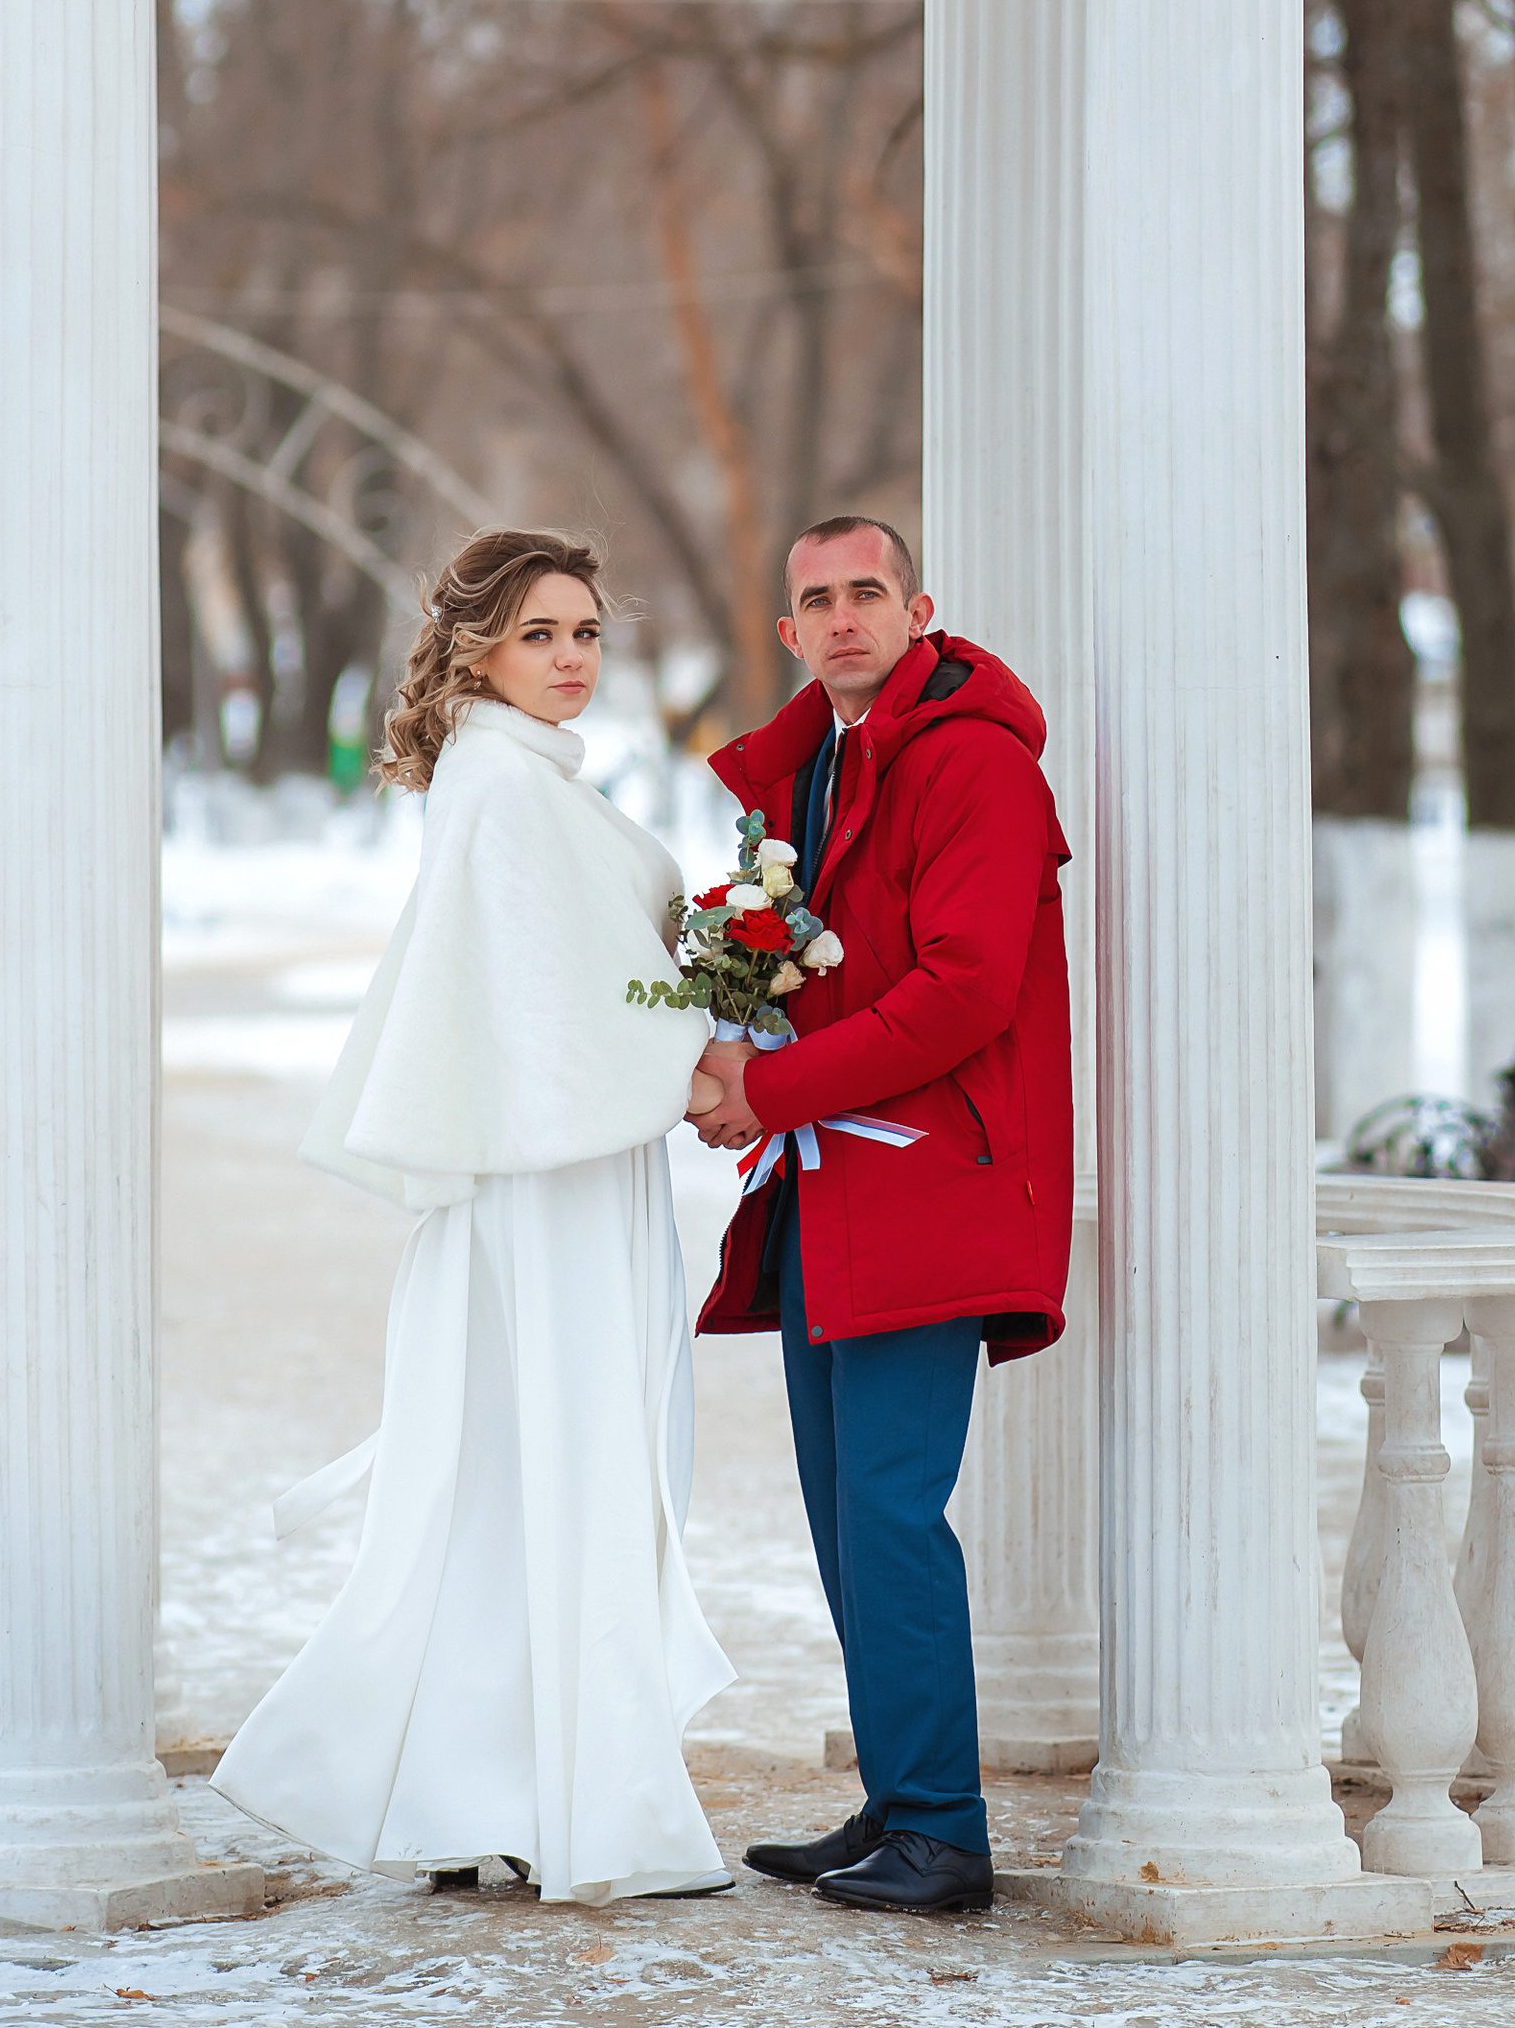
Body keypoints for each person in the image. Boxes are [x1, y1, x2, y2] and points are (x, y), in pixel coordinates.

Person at [213, 529, 735, 1904]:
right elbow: (552, 1011)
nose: (573, 657)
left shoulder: (521, 784)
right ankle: (572, 1801)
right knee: (565, 1460)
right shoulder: (504, 793)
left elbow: (572, 989)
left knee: (521, 1469)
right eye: (541, 633)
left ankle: (483, 1783)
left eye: (587, 632)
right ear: (479, 652)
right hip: (549, 1187)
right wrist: (710, 1045)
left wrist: (710, 1008)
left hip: (562, 1168)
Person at [691, 516, 1073, 1918]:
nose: (843, 617)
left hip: (931, 1175)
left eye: (867, 592)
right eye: (816, 600)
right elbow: (805, 956)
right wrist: (730, 1038)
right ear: (788, 632)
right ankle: (903, 1799)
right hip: (831, 1182)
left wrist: (771, 1081)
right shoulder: (821, 767)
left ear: (919, 607)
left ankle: (947, 1833)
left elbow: (968, 984)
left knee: (895, 1512)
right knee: (847, 1517)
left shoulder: (970, 759)